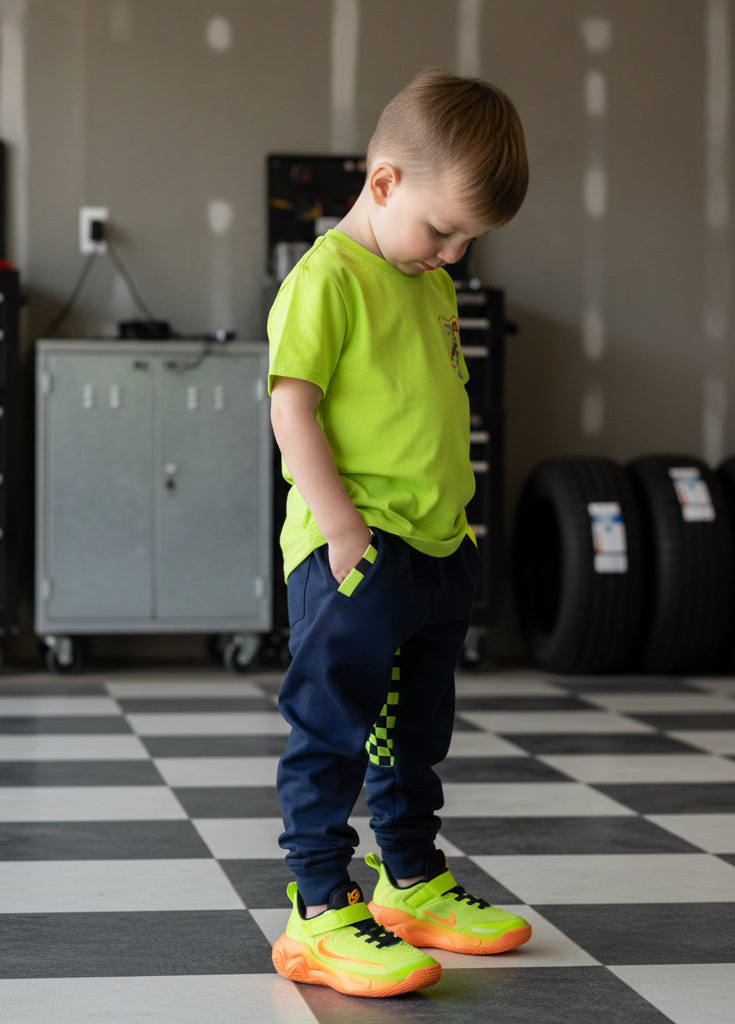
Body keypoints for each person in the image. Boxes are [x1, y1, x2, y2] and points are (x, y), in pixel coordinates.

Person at [267, 67, 531, 998]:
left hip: (434, 548)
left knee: (411, 731)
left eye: (468, 240)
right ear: (384, 183)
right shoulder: (326, 279)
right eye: (443, 230)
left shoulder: (425, 279)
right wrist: (343, 532)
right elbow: (292, 410)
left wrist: (454, 530)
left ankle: (410, 882)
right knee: (333, 728)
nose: (453, 253)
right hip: (358, 552)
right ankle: (317, 908)